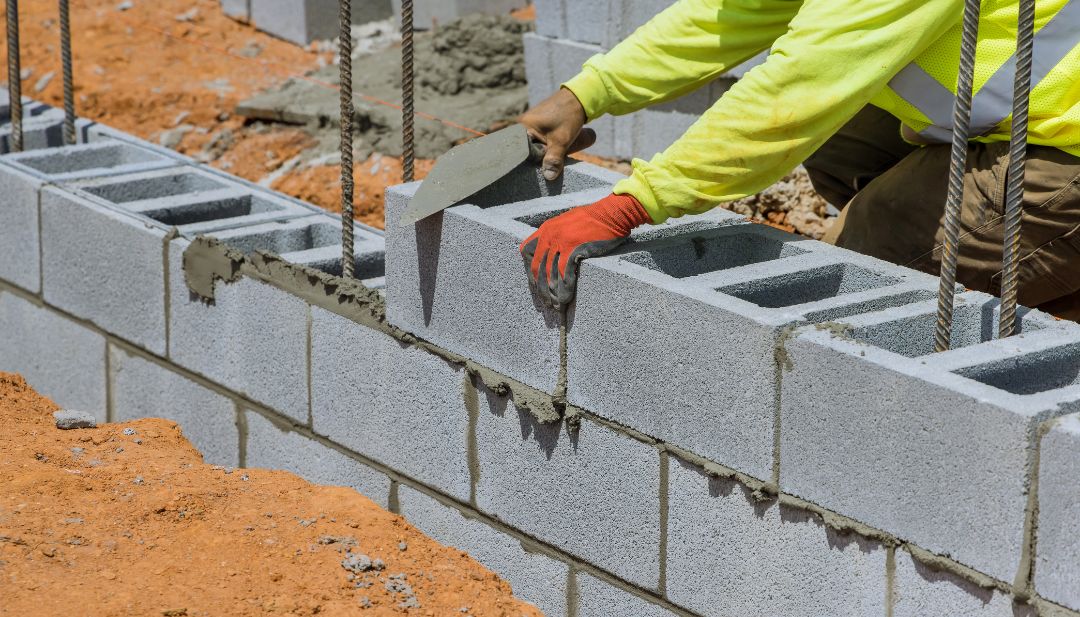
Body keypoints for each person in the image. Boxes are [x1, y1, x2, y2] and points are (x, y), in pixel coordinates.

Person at [518, 0, 1080, 318]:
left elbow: (798, 88)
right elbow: (729, 15)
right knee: (844, 143)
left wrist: (632, 204)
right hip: (1024, 117)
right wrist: (585, 94)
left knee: (860, 268)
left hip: (1066, 153)